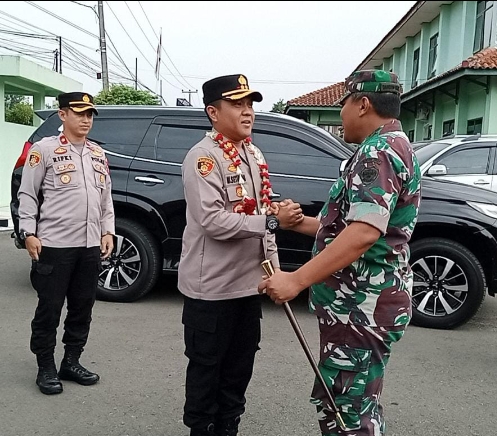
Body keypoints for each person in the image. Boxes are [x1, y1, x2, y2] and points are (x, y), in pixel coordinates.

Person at [258, 70, 421, 436]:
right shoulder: (392, 145)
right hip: (364, 305)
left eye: (344, 104)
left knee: (349, 412)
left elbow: (364, 233)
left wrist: (295, 280)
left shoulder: (377, 153)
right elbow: (352, 228)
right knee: (358, 403)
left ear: (363, 104)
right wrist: (297, 224)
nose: (341, 114)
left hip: (360, 307)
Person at [178, 74, 303, 436]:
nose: (248, 112)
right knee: (206, 368)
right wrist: (270, 220)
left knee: (239, 368)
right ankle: (201, 429)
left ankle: (228, 427)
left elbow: (260, 214)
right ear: (213, 112)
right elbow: (212, 220)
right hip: (212, 289)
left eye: (250, 104)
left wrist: (275, 271)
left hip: (249, 285)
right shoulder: (203, 157)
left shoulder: (252, 152)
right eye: (238, 104)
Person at [17, 91, 115, 396]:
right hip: (54, 245)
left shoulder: (98, 153)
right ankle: (45, 365)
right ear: (63, 115)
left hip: (89, 246)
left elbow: (105, 199)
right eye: (79, 113)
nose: (86, 120)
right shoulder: (44, 150)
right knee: (49, 308)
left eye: (90, 115)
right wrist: (28, 232)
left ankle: (71, 361)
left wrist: (107, 231)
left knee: (82, 307)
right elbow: (28, 193)